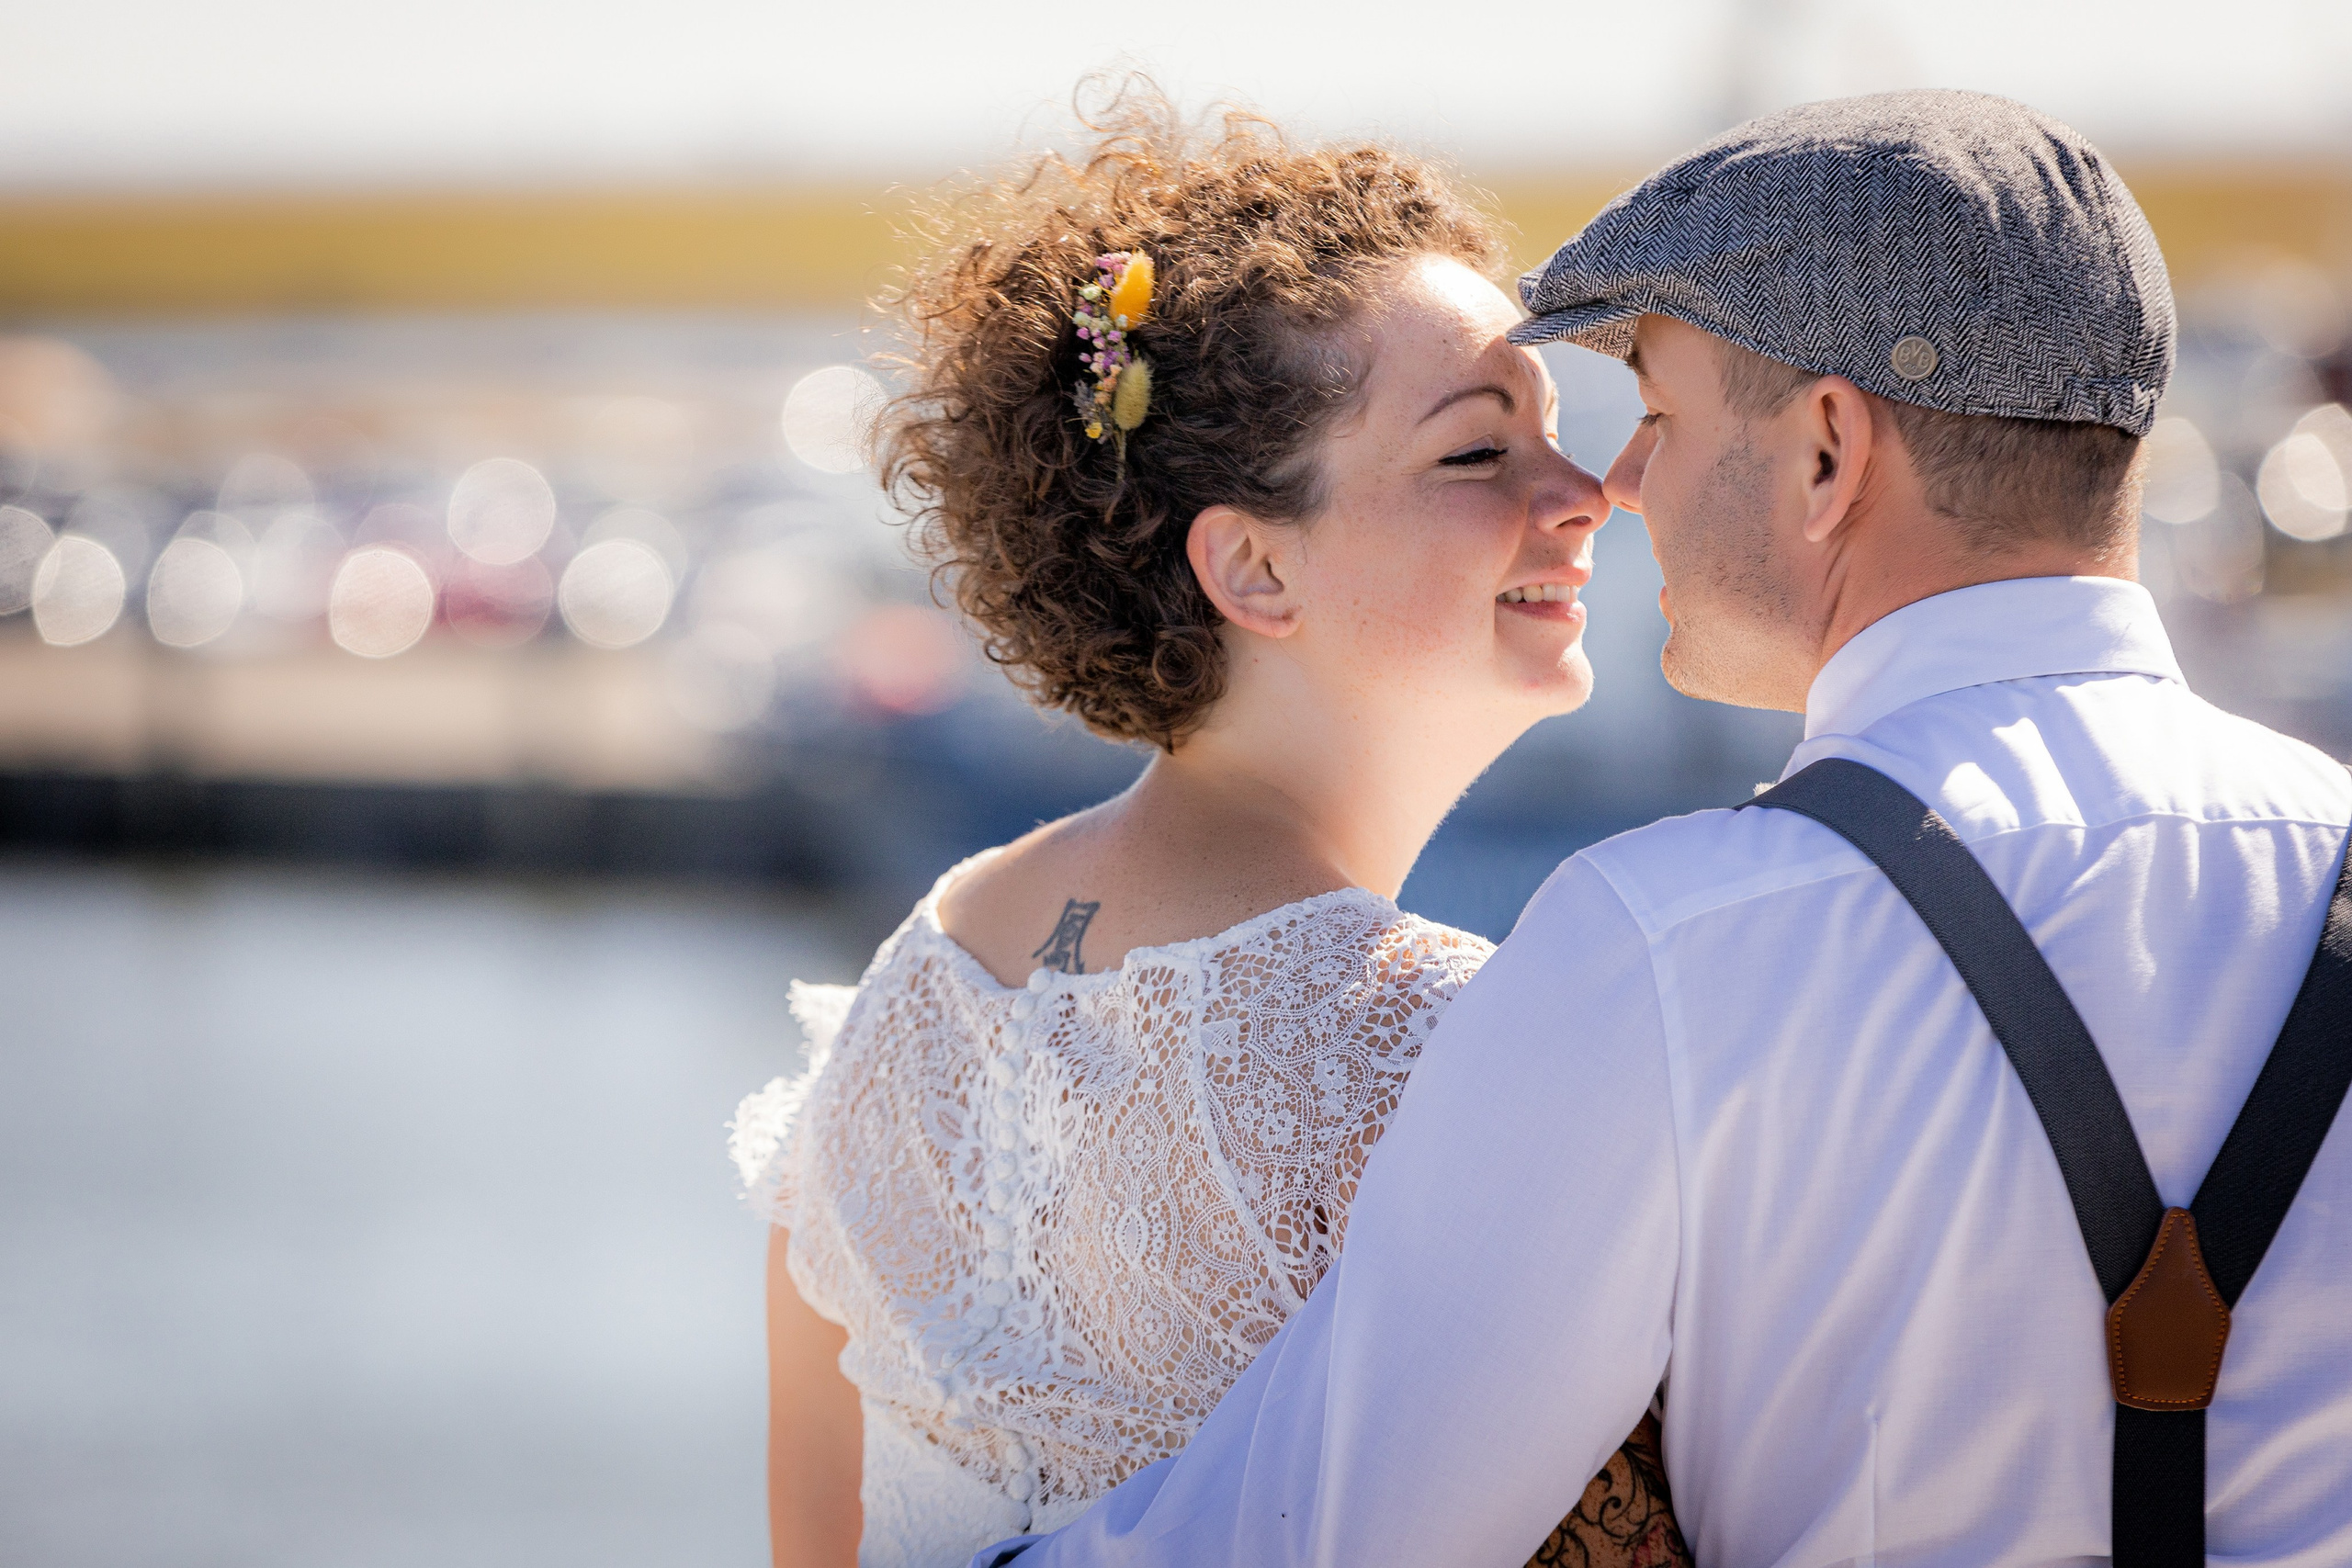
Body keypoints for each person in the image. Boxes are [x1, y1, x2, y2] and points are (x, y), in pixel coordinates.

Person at [970, 91, 2352, 1568]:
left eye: (1663, 420)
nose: (1619, 490)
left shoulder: (1672, 945)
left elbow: (1328, 1533)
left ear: (1828, 451)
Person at [729, 90, 1687, 1568]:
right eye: (1477, 452)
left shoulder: (905, 1001)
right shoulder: (1430, 1042)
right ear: (1253, 564)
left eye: (1558, 435)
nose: (1585, 500)